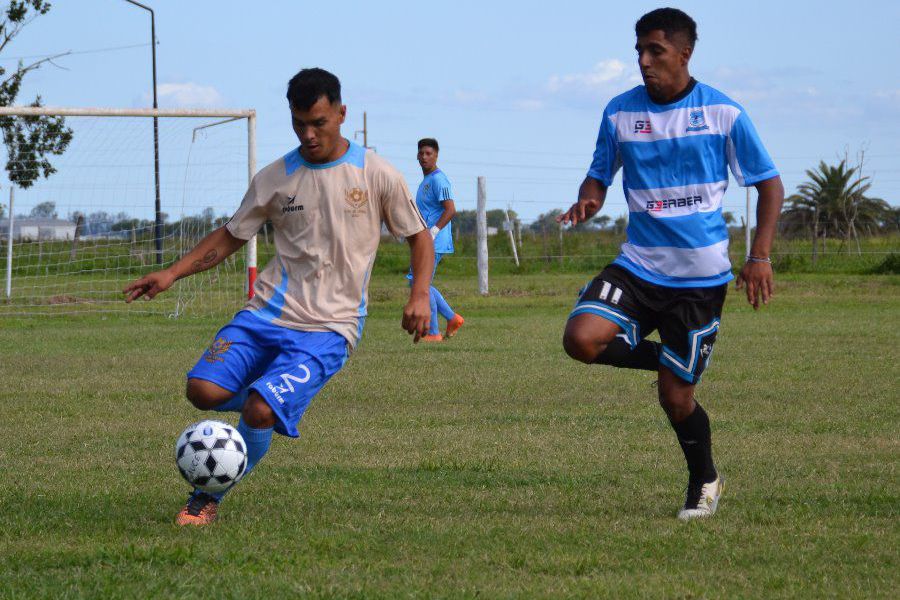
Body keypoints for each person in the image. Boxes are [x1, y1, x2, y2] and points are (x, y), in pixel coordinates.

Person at [123, 67, 434, 526]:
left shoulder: (376, 172)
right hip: (265, 313)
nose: (308, 135)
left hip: (329, 327)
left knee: (258, 409)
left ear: (341, 114)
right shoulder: (275, 178)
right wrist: (173, 273)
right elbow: (230, 236)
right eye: (298, 123)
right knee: (202, 390)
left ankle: (207, 497)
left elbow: (419, 237)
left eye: (319, 123)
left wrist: (420, 294)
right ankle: (271, 404)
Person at [558, 8, 784, 520]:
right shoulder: (619, 112)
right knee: (581, 339)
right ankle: (671, 360)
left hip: (699, 282)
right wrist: (589, 200)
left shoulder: (723, 112)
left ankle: (704, 479)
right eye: (639, 50)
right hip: (637, 266)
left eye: (656, 51)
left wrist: (759, 256)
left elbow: (769, 183)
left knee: (675, 399)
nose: (644, 61)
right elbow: (598, 175)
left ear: (684, 54)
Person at [409, 138, 464, 342]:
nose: (424, 157)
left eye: (429, 153)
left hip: (433, 241)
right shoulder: (426, 180)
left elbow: (451, 209)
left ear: (436, 156)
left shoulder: (439, 179)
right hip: (424, 241)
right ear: (417, 156)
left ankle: (433, 332)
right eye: (421, 153)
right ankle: (451, 318)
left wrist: (433, 232)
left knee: (420, 284)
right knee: (419, 283)